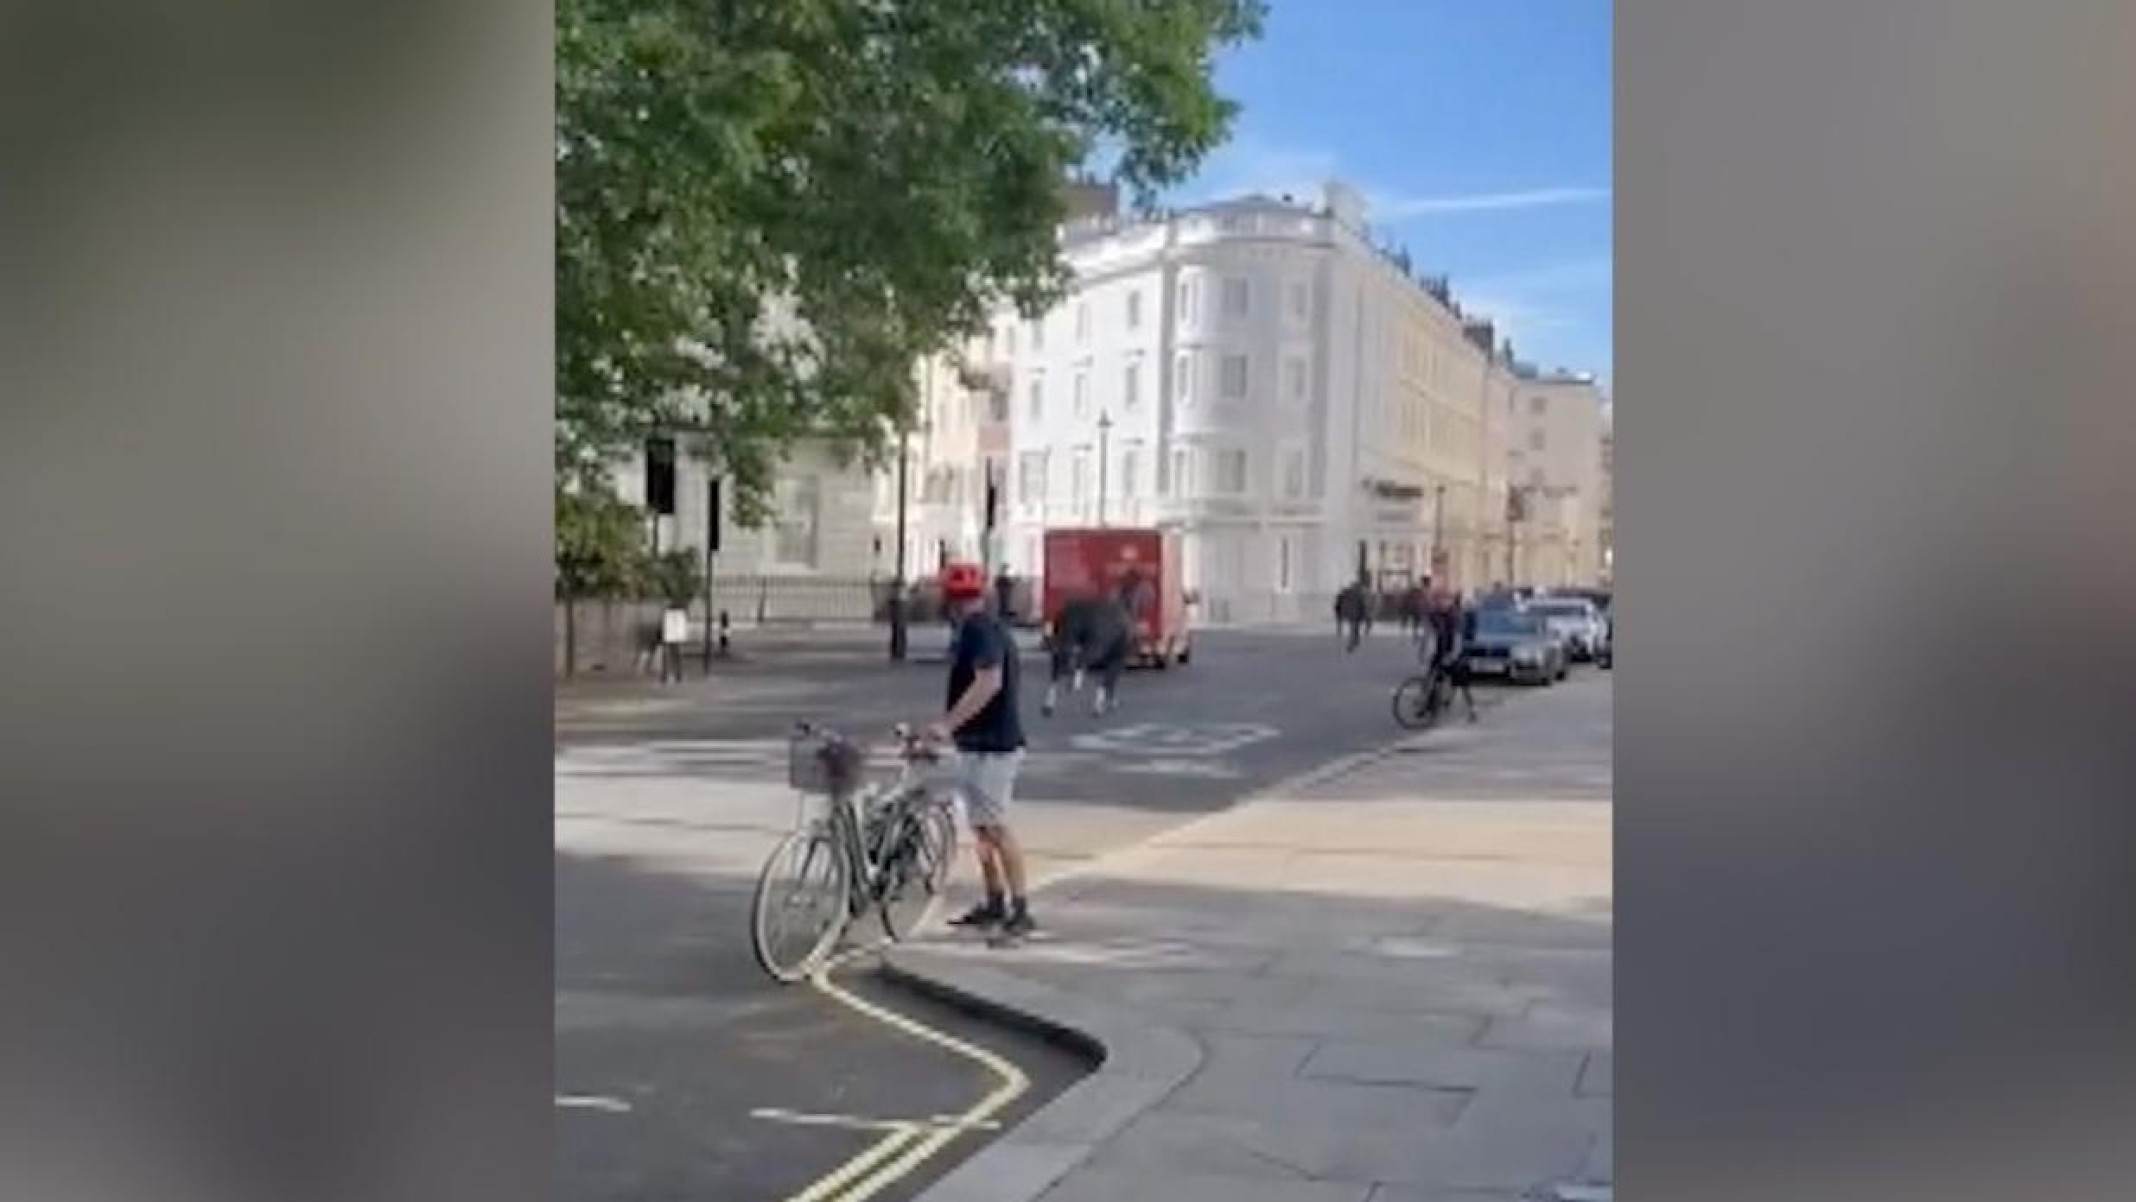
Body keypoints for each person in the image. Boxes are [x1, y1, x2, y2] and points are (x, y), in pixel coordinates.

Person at [929, 562, 1035, 937]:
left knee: (995, 827)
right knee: (982, 829)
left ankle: (1021, 910)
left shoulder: (980, 630)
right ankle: (994, 902)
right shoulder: (974, 629)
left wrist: (947, 725)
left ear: (950, 600)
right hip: (978, 743)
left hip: (995, 746)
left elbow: (989, 682)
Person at [1043, 592, 1131, 716]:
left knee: (1062, 652)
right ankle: (1099, 701)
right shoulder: (1120, 618)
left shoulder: (1073, 607)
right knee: (1113, 663)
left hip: (1075, 618)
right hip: (1109, 639)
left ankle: (1050, 698)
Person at [1424, 586, 1479, 722]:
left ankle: (1472, 709)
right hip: (1440, 649)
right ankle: (1430, 707)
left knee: (1461, 683)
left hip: (1455, 652)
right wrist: (1426, 651)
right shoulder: (1434, 614)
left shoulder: (1455, 616)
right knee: (1431, 678)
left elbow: (1457, 639)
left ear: (1449, 601)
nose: (1440, 603)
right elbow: (1430, 634)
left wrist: (1452, 656)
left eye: (1443, 601)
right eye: (1437, 601)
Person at [1335, 579, 1368, 652]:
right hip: (1356, 614)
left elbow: (1342, 602)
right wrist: (1364, 614)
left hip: (1352, 614)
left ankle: (1355, 641)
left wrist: (1344, 612)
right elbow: (1362, 605)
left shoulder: (1348, 593)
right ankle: (1352, 644)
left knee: (1354, 629)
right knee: (1354, 629)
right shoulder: (1358, 594)